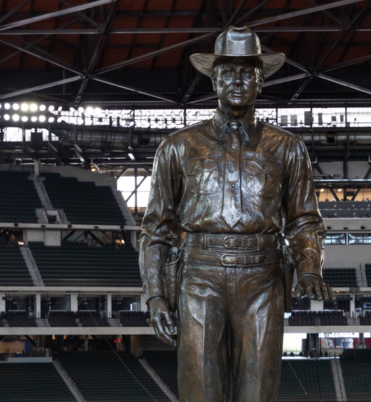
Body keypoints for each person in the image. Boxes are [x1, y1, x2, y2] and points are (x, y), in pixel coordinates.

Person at [139, 26, 335, 402]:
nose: (237, 81)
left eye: (247, 72)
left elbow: (304, 220)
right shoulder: (177, 147)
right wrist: (155, 295)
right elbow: (156, 229)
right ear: (214, 80)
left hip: (262, 278)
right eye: (228, 72)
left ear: (260, 81)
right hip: (198, 276)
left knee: (258, 390)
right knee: (200, 390)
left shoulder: (287, 147)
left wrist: (310, 266)